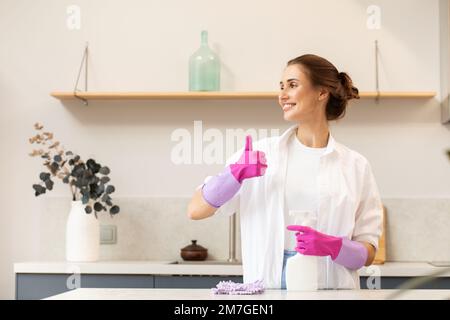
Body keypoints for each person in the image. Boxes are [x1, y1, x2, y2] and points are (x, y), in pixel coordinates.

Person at [187, 54, 383, 289]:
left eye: (292, 85)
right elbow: (196, 210)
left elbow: (369, 251)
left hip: (332, 292)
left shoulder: (355, 166)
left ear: (322, 93)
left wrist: (334, 246)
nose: (282, 95)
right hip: (266, 291)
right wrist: (235, 175)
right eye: (281, 87)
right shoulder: (260, 154)